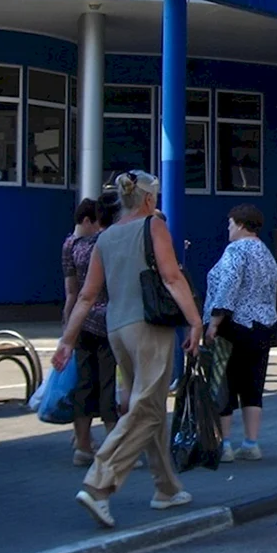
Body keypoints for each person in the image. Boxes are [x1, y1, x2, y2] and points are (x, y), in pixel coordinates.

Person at [53, 171, 203, 530]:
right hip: (149, 327)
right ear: (149, 199)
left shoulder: (106, 236)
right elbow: (171, 276)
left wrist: (68, 339)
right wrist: (195, 321)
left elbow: (87, 295)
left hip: (116, 329)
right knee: (147, 410)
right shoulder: (153, 225)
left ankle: (166, 487)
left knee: (147, 405)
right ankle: (100, 482)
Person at [205, 204, 277, 462]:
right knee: (253, 386)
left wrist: (214, 322)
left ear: (239, 224)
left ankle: (224, 444)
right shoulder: (266, 253)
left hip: (234, 326)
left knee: (224, 384)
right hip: (264, 326)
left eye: (229, 223)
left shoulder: (235, 250)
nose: (227, 228)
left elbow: (228, 285)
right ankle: (251, 442)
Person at [62, 193, 122, 466]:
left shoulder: (69, 245)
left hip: (81, 321)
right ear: (89, 220)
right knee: (108, 383)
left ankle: (82, 446)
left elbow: (72, 291)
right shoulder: (104, 243)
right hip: (108, 319)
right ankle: (113, 447)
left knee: (84, 384)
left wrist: (68, 327)